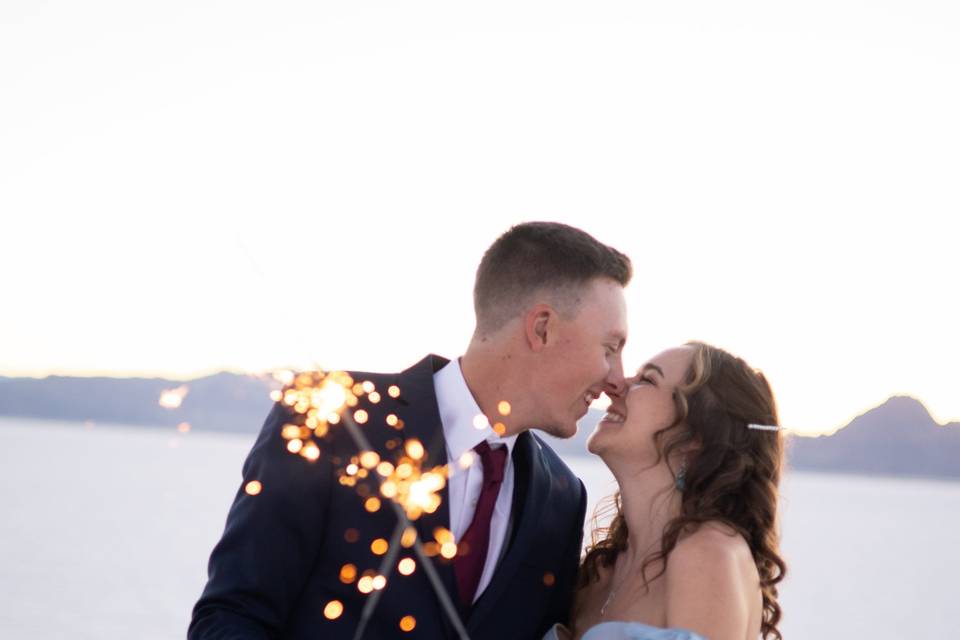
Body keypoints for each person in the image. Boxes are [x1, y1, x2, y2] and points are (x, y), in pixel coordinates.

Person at [189, 221, 632, 639]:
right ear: (542, 328)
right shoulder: (332, 417)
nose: (618, 378)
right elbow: (231, 616)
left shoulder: (562, 497)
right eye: (610, 348)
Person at [545, 342, 786, 640]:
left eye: (647, 379)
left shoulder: (707, 554)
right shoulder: (597, 575)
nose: (617, 385)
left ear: (694, 437)